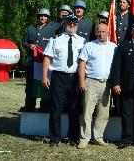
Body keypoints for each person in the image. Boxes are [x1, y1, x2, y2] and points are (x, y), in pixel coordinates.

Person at [42, 14, 86, 147]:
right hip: (58, 77)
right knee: (56, 108)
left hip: (75, 78)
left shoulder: (83, 41)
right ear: (65, 24)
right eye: (69, 23)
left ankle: (73, 137)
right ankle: (54, 138)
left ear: (77, 25)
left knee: (74, 109)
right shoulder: (55, 39)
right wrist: (44, 76)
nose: (72, 25)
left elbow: (85, 61)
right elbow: (47, 58)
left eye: (74, 23)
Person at [76, 23, 117, 149]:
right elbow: (82, 64)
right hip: (91, 83)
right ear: (95, 32)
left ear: (108, 32)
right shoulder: (89, 46)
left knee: (103, 113)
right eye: (98, 31)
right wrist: (82, 81)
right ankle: (84, 139)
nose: (101, 34)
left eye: (103, 31)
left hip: (107, 84)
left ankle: (98, 137)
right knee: (87, 113)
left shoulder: (114, 47)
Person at [20, 8, 56, 112]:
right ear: (38, 17)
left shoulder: (52, 30)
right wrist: (29, 45)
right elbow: (24, 42)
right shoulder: (30, 29)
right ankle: (29, 105)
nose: (43, 18)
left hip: (45, 62)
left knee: (45, 83)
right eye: (41, 16)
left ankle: (44, 106)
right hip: (32, 61)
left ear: (48, 18)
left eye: (45, 16)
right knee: (31, 84)